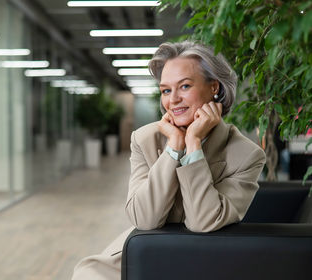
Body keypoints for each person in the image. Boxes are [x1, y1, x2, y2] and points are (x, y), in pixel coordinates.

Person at [71, 41, 266, 280]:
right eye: (165, 90)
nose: (173, 99)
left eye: (184, 86)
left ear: (214, 87)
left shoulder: (246, 155)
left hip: (205, 263)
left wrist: (193, 143)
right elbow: (144, 218)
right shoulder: (144, 139)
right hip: (145, 256)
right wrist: (174, 147)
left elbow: (203, 221)